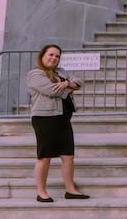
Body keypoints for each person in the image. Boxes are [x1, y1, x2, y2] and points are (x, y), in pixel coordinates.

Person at [28, 45, 88, 203]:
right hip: (45, 119)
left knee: (68, 155)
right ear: (42, 56)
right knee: (44, 157)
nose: (54, 58)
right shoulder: (35, 74)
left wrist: (66, 82)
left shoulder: (60, 72)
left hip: (63, 118)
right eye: (51, 55)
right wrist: (69, 85)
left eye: (57, 56)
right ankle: (41, 192)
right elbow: (52, 91)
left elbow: (80, 81)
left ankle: (70, 190)